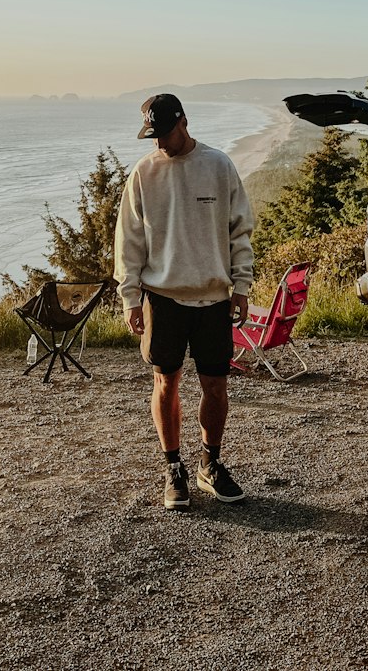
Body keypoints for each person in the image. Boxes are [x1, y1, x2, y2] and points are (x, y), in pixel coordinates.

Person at [114, 93, 254, 511]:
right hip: (163, 299)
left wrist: (242, 287)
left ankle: (210, 464)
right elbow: (129, 242)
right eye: (152, 136)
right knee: (166, 382)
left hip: (213, 297)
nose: (159, 143)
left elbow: (239, 231)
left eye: (165, 134)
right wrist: (130, 297)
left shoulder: (218, 165)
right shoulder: (144, 173)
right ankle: (173, 469)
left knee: (215, 385)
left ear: (185, 122)